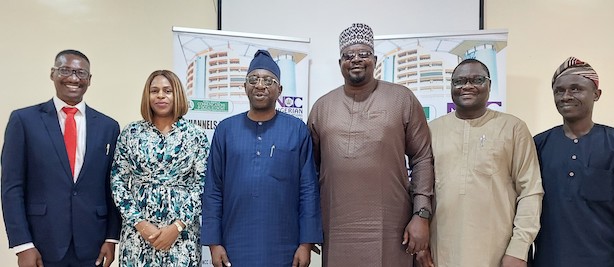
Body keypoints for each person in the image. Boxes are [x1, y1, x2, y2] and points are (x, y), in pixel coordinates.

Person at [307, 23, 434, 266]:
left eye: (363, 54)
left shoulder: (402, 98)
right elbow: (309, 171)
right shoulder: (322, 107)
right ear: (340, 63)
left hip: (392, 226)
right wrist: (308, 225)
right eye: (348, 55)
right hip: (336, 225)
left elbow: (422, 158)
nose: (356, 60)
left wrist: (421, 214)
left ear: (375, 59)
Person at [201, 49, 322, 267]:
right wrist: (213, 243)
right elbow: (213, 190)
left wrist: (306, 243)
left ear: (280, 90)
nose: (260, 85)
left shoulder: (297, 130)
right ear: (244, 87)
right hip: (234, 243)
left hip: (285, 244)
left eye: (268, 80)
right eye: (253, 79)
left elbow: (308, 189)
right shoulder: (225, 130)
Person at [418, 58, 544, 267]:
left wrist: (519, 249)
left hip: (497, 254)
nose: (467, 86)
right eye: (459, 81)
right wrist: (421, 245)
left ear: (489, 85)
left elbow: (530, 191)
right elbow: (420, 191)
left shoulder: (513, 128)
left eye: (477, 79)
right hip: (442, 254)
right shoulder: (432, 131)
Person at [1, 49, 121, 266]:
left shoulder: (108, 127)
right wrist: (22, 244)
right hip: (41, 243)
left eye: (81, 73)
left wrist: (111, 238)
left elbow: (112, 186)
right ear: (52, 74)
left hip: (93, 244)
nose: (74, 78)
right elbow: (11, 187)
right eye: (66, 70)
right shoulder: (23, 120)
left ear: (90, 80)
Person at [529, 57, 614, 266]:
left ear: (596, 94)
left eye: (576, 89)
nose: (566, 96)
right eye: (559, 90)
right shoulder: (537, 145)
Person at [110, 70, 209, 266]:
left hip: (182, 235)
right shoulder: (131, 132)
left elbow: (202, 184)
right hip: (138, 233)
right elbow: (117, 180)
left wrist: (178, 226)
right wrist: (140, 224)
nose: (161, 96)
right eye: (154, 91)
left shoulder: (196, 135)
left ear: (177, 94)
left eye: (167, 91)